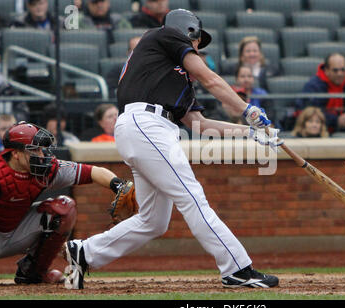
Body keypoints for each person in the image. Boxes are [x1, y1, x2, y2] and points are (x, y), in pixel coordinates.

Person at [63, 8, 281, 290]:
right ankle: (237, 268)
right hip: (146, 123)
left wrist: (251, 133)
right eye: (196, 40)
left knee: (153, 221)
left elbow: (198, 124)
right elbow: (211, 79)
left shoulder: (172, 76)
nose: (197, 47)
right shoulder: (162, 35)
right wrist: (247, 109)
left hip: (150, 128)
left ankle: (85, 252)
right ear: (185, 30)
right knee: (192, 196)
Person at [0, 121, 133, 285]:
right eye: (34, 150)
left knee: (63, 207)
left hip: (14, 232)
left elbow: (93, 172)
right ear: (16, 154)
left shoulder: (45, 171)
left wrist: (119, 186)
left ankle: (33, 272)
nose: (41, 155)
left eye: (41, 149)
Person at [296, 53, 345, 134]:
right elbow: (309, 112)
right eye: (335, 70)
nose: (340, 74)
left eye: (343, 70)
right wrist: (336, 120)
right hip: (319, 131)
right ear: (326, 70)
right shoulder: (313, 86)